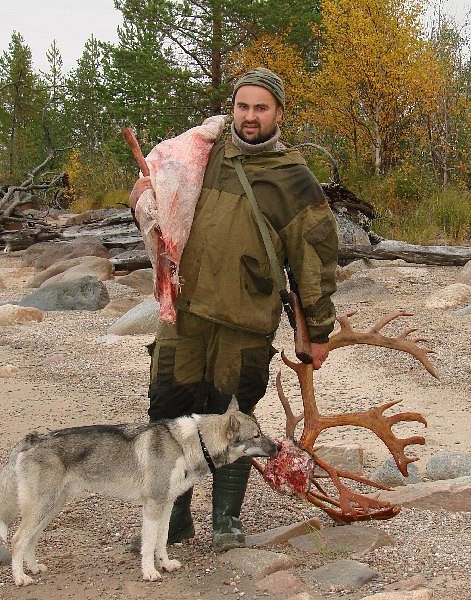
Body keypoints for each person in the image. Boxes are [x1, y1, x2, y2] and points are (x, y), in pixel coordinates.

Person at [129, 67, 338, 552]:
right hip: (185, 314)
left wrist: (320, 330)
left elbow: (315, 258)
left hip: (245, 324)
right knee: (168, 414)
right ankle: (172, 522)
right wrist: (139, 198)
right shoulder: (202, 151)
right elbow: (160, 195)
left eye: (260, 108)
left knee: (235, 418)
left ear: (279, 114)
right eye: (242, 106)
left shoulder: (294, 178)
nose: (249, 116)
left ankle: (227, 521)